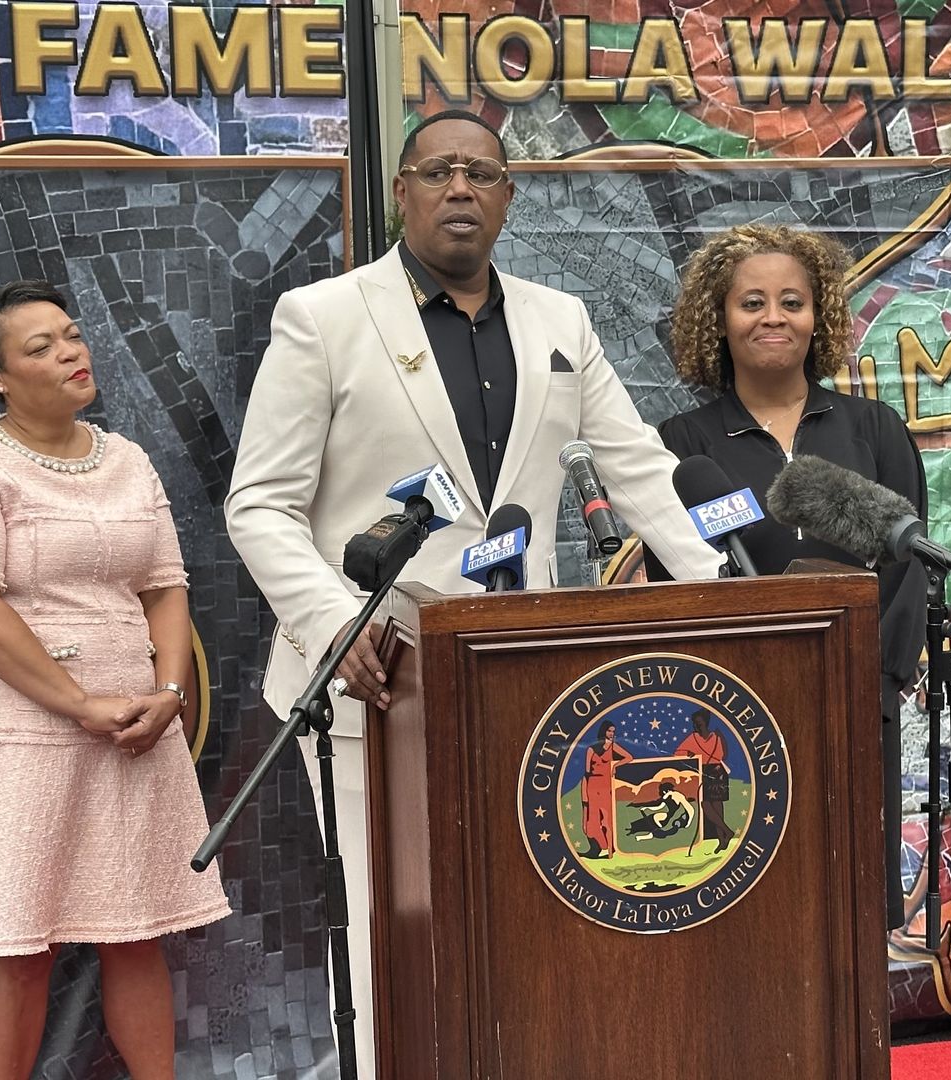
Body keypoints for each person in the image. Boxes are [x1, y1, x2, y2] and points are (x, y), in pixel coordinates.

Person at [223, 108, 723, 1078]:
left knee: (521, 931)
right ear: (401, 191)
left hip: (521, 690)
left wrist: (723, 599)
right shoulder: (323, 319)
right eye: (439, 171)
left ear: (508, 197)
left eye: (481, 173)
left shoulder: (560, 321)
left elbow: (644, 476)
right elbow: (260, 506)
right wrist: (333, 624)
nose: (461, 188)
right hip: (378, 687)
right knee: (385, 932)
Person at [0, 281, 230, 1079]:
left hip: (136, 724)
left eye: (72, 336)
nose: (71, 354)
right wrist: (80, 705)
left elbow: (164, 585)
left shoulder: (125, 456)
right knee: (22, 942)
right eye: (42, 347)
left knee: (134, 931)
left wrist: (168, 693)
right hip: (25, 728)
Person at [648, 223, 927, 920]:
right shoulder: (683, 443)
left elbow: (909, 562)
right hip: (737, 709)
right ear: (718, 319)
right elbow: (674, 576)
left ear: (819, 316)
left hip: (857, 699)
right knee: (757, 902)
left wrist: (875, 676)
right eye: (752, 303)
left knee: (853, 898)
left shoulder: (874, 427)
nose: (773, 317)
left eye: (792, 302)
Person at [675, 709, 733, 852]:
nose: (696, 727)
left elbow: (722, 755)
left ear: (705, 723)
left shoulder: (717, 737)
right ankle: (727, 832)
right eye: (694, 724)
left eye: (699, 724)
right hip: (704, 772)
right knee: (705, 804)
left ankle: (722, 840)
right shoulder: (693, 738)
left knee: (718, 807)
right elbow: (678, 753)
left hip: (718, 772)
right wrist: (688, 753)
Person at [583, 721, 635, 855]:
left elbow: (629, 757)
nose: (611, 734)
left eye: (613, 731)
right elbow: (587, 772)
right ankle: (600, 848)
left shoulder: (613, 747)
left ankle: (611, 852)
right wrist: (584, 793)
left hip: (606, 786)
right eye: (609, 731)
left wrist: (615, 765)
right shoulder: (591, 749)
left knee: (607, 819)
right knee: (593, 819)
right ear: (603, 731)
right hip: (593, 786)